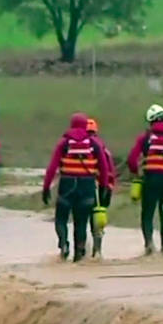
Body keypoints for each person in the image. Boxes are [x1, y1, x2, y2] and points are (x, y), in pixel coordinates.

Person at [42, 112, 110, 262]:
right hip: (87, 186)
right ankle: (79, 254)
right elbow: (104, 168)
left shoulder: (64, 143)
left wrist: (46, 187)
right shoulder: (94, 144)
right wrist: (104, 187)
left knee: (61, 219)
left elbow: (52, 167)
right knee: (81, 223)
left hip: (67, 185)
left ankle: (64, 245)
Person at [127, 104, 163, 255]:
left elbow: (131, 160)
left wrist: (136, 173)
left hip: (151, 179)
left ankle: (149, 245)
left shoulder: (145, 138)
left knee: (147, 213)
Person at [86, 118, 117, 258]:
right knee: (98, 219)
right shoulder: (103, 148)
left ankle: (83, 251)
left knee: (84, 219)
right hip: (105, 189)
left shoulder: (85, 146)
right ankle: (97, 250)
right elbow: (111, 171)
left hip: (90, 187)